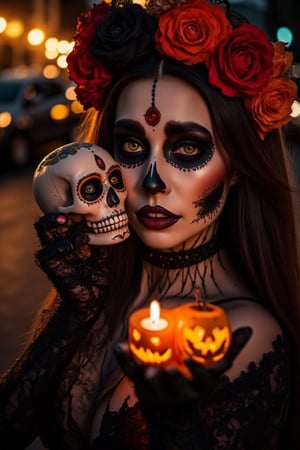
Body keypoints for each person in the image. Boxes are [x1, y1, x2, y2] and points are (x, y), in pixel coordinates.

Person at [1, 0, 299, 448]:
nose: (152, 181)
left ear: (237, 164)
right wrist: (74, 315)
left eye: (186, 149)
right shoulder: (102, 289)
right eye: (131, 146)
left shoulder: (242, 335)